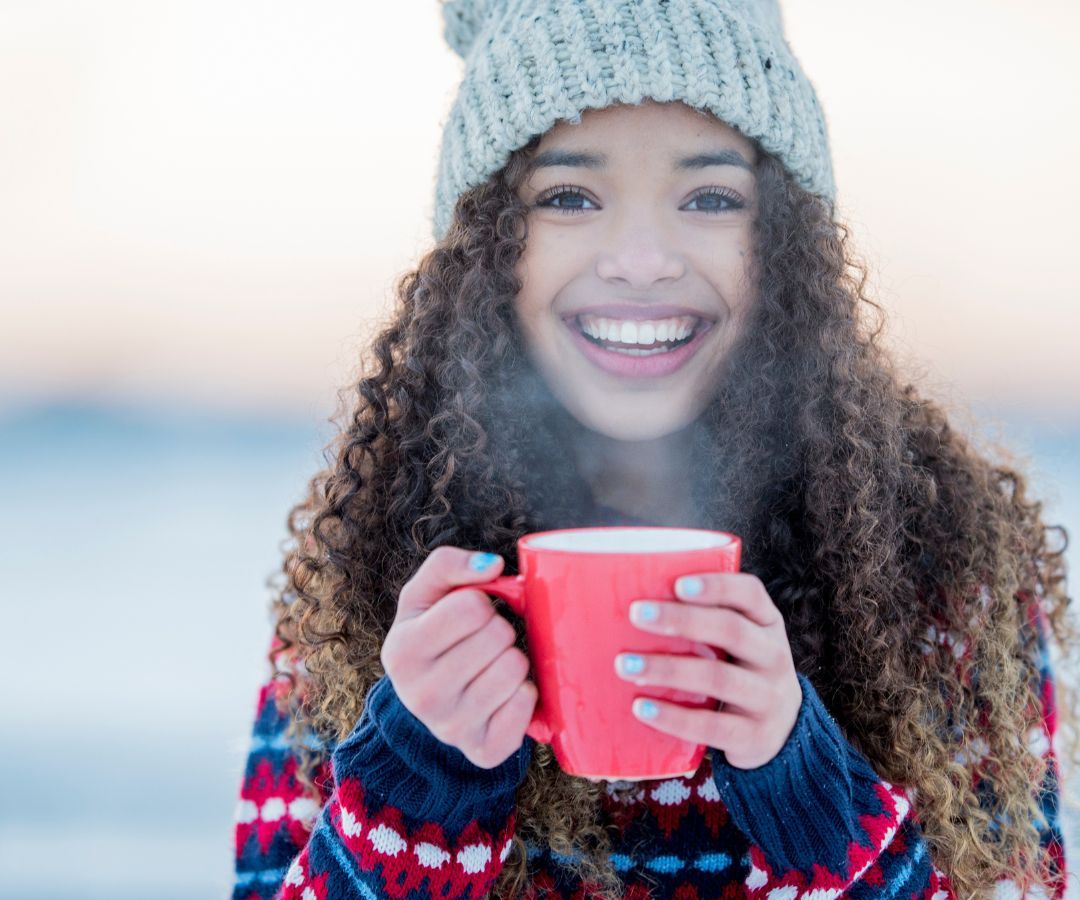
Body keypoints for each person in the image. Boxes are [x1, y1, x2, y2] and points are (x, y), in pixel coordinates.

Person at [231, 1, 1077, 897]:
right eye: (569, 196)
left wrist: (809, 793)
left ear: (785, 244)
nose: (640, 259)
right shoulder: (368, 576)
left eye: (710, 197)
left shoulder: (942, 566)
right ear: (487, 251)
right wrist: (417, 780)